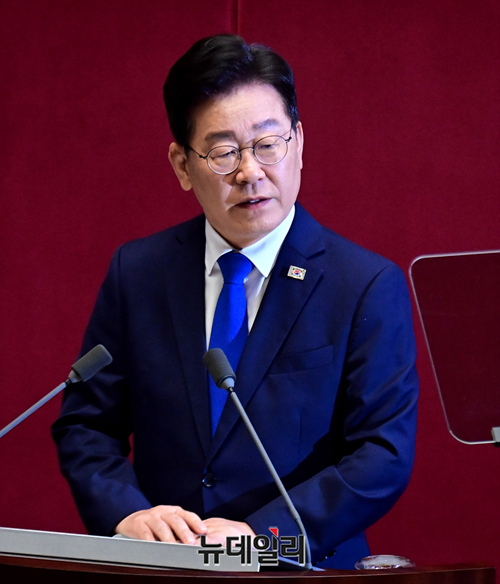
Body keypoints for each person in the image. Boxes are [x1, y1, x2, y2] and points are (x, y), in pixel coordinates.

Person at [51, 34, 419, 570]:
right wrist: (126, 514)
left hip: (300, 568)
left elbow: (382, 453)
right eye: (223, 153)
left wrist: (259, 536)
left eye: (267, 144)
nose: (250, 172)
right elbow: (87, 424)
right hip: (167, 568)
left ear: (298, 142)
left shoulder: (363, 284)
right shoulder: (140, 273)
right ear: (182, 164)